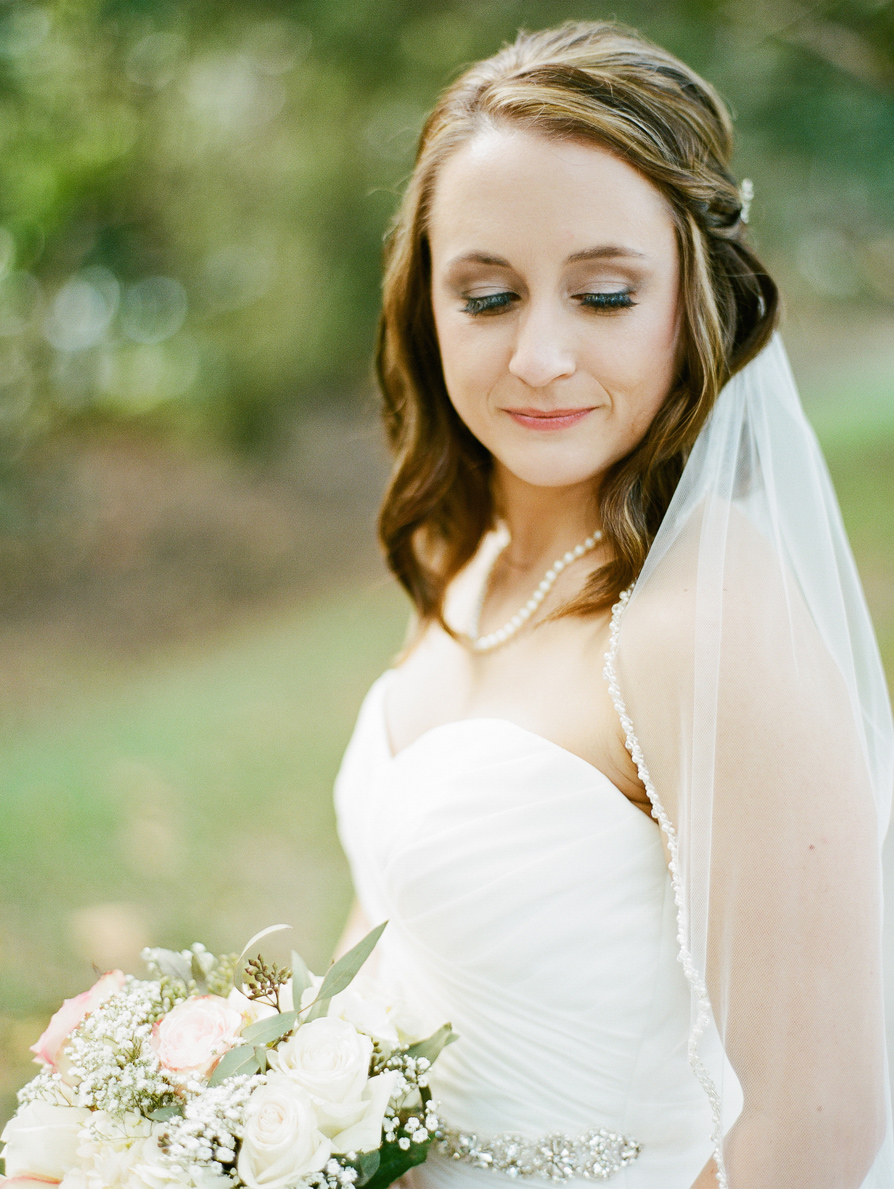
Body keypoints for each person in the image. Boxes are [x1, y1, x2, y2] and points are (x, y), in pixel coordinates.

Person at [333, 21, 894, 1189]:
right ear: (424, 304)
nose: (539, 354)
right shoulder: (465, 563)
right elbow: (391, 940)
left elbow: (813, 1134)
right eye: (487, 297)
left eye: (601, 293)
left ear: (687, 297)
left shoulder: (705, 620)